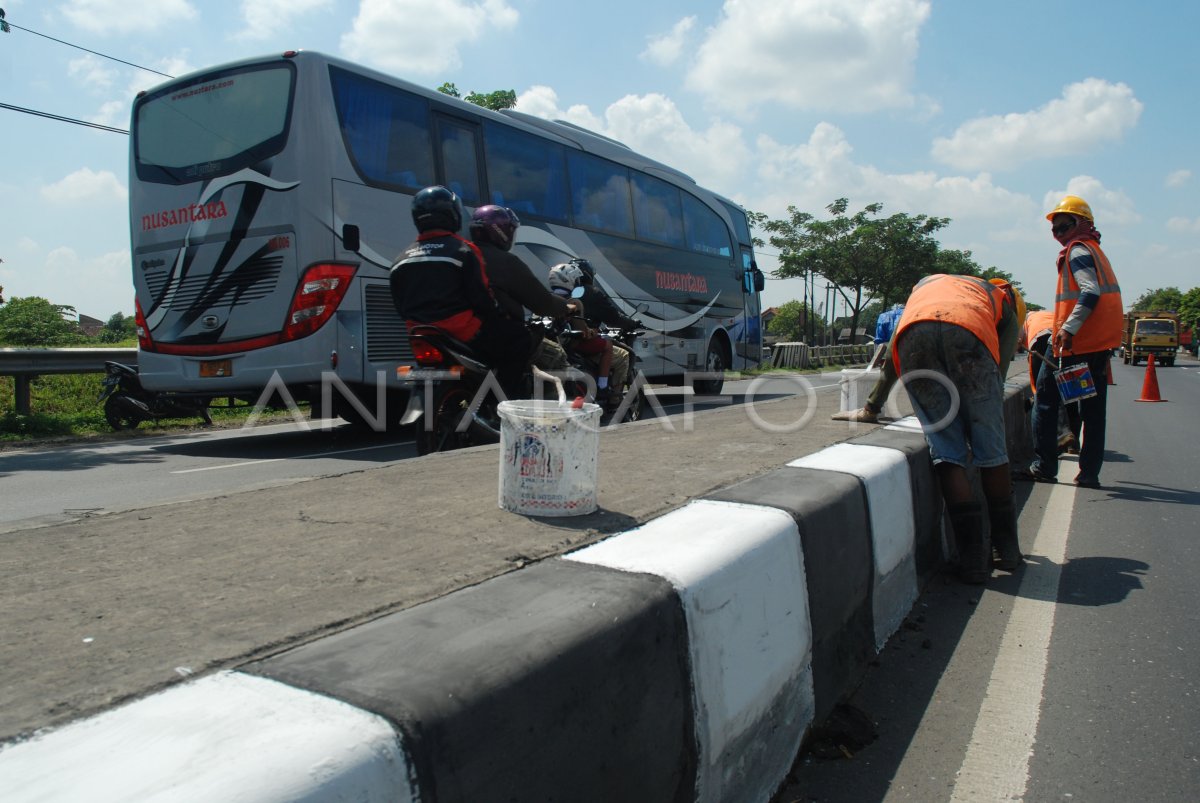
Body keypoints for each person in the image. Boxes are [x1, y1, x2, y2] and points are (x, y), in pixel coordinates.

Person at [892, 274, 1025, 583]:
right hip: (970, 336)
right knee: (991, 450)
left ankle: (973, 562)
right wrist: (981, 409)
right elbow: (999, 371)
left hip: (913, 336)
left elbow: (890, 354)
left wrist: (872, 405)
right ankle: (1005, 551)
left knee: (947, 451)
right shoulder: (1004, 303)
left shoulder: (924, 290)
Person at [389, 186, 532, 399]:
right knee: (521, 339)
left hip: (420, 331)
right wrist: (500, 315)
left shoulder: (401, 258)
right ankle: (506, 404)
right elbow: (481, 298)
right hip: (461, 330)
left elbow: (400, 307)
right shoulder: (463, 250)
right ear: (452, 215)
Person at [1019, 195, 1123, 489]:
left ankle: (1044, 466)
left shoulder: (1077, 251)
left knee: (1045, 403)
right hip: (1097, 345)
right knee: (1093, 413)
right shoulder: (1095, 251)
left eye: (1066, 223)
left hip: (1073, 344)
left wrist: (1068, 328)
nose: (1059, 230)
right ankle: (1089, 474)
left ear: (1084, 224)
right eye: (1056, 227)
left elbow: (1090, 293)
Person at [467, 205, 579, 373]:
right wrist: (564, 307)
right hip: (497, 335)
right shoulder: (506, 262)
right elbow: (542, 303)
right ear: (501, 231)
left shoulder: (461, 254)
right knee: (555, 355)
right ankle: (523, 398)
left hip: (464, 334)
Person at [548, 259, 639, 405]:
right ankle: (608, 392)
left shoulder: (547, 298)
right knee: (618, 352)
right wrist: (593, 332)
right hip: (576, 343)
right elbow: (590, 326)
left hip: (559, 344)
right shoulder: (579, 299)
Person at [1022, 308, 1081, 455]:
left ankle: (1062, 435)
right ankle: (1073, 444)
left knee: (1045, 394)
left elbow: (1019, 342)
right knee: (1071, 394)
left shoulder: (1027, 320)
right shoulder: (1051, 314)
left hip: (1043, 342)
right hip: (1065, 340)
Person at [831, 304, 903, 423]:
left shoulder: (887, 316)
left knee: (890, 368)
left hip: (898, 340)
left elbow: (881, 342)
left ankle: (871, 409)